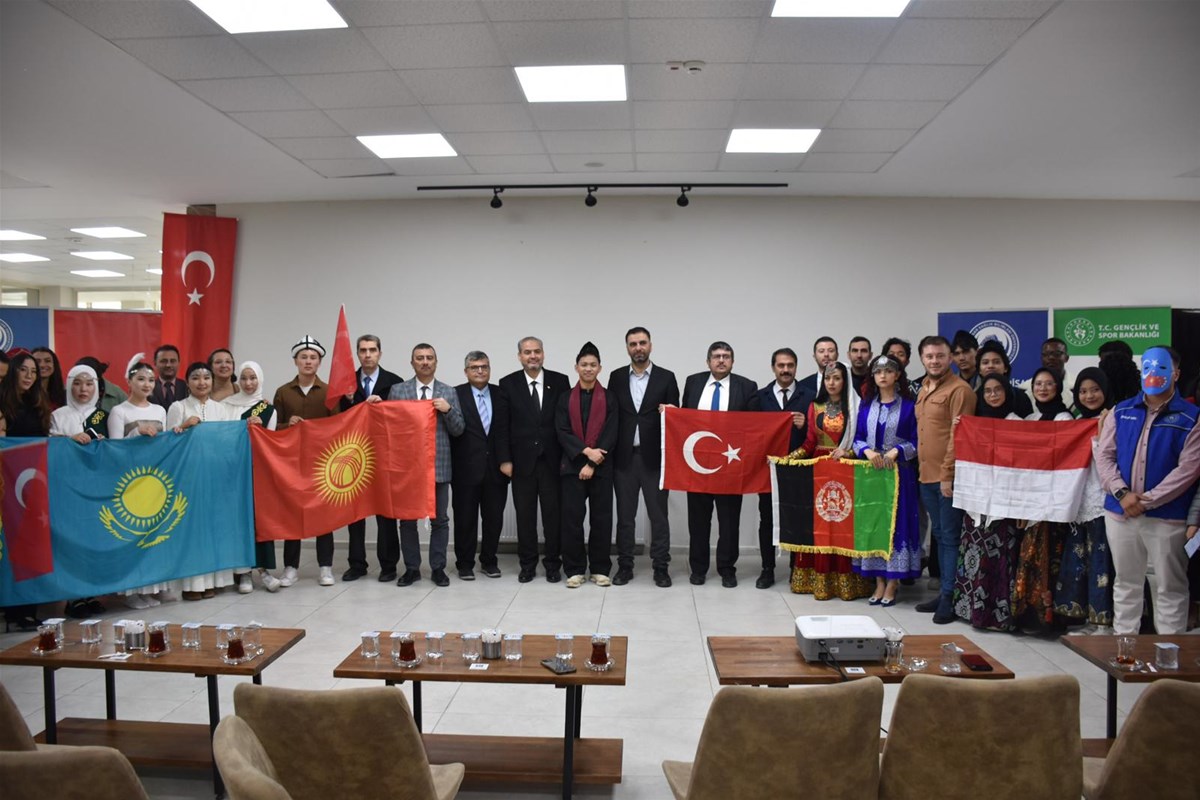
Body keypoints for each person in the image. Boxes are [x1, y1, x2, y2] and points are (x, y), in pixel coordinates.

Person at [1096, 346, 1200, 635]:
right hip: (1120, 514)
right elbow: (1104, 457)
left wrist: (1147, 501)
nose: (1153, 373)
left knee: (1170, 586)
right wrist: (1122, 494)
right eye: (1148, 368)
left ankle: (1170, 652)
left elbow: (1188, 470)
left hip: (1168, 517)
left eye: (1162, 368)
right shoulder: (1121, 411)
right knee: (1126, 583)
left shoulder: (1192, 417)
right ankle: (1124, 647)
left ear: (1176, 374)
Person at [791, 362, 873, 601]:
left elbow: (863, 441)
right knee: (821, 525)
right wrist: (789, 458)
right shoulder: (814, 406)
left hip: (847, 471)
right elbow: (809, 442)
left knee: (843, 524)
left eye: (836, 378)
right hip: (819, 472)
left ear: (844, 380)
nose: (831, 383)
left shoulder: (856, 407)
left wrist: (847, 453)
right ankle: (818, 579)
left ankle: (848, 580)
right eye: (828, 378)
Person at [681, 341, 760, 587]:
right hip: (698, 466)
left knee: (729, 523)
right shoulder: (693, 383)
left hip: (730, 467)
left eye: (726, 356)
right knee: (698, 522)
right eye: (716, 356)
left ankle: (727, 569)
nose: (721, 360)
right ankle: (698, 569)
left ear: (732, 361)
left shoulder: (746, 387)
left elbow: (753, 427)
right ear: (708, 361)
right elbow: (683, 420)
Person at [608, 327, 679, 587]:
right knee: (625, 517)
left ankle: (661, 567)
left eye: (642, 343)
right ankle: (625, 566)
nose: (638, 347)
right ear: (627, 348)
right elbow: (610, 415)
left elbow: (676, 418)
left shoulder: (667, 377)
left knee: (658, 517)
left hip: (655, 460)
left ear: (650, 345)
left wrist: (673, 411)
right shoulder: (616, 377)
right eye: (633, 344)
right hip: (624, 459)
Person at [388, 343, 464, 587]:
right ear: (412, 363)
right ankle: (412, 569)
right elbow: (389, 429)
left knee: (440, 520)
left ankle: (438, 568)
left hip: (438, 466)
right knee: (407, 521)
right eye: (419, 358)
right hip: (407, 468)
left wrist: (448, 410)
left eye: (429, 357)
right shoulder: (398, 391)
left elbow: (459, 429)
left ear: (436, 362)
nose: (425, 362)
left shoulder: (448, 392)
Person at [496, 336, 571, 583]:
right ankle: (527, 565)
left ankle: (553, 564)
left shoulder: (560, 381)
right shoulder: (508, 383)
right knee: (525, 517)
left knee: (553, 517)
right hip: (521, 463)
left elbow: (566, 422)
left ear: (543, 354)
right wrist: (505, 459)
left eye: (537, 351)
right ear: (520, 356)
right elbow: (502, 425)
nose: (532, 356)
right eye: (527, 352)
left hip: (553, 462)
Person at [913, 335, 977, 624]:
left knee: (950, 538)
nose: (935, 361)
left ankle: (950, 598)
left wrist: (948, 475)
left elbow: (958, 436)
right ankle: (943, 593)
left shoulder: (960, 390)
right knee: (939, 536)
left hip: (948, 478)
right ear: (922, 359)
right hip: (926, 475)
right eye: (929, 356)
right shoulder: (923, 388)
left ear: (950, 358)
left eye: (940, 356)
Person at [952, 375, 1024, 631]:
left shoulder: (1017, 423)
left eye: (998, 390)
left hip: (1005, 501)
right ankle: (971, 611)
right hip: (977, 499)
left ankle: (998, 616)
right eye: (988, 391)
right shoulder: (975, 422)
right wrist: (958, 429)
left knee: (1000, 557)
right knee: (974, 553)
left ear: (1007, 392)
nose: (993, 395)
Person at [852, 356, 921, 605]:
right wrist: (867, 452)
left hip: (899, 475)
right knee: (874, 526)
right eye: (878, 371)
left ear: (897, 375)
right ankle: (879, 581)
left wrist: (896, 451)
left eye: (888, 371)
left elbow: (917, 440)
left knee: (897, 526)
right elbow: (857, 437)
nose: (883, 375)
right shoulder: (866, 406)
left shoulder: (910, 407)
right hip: (871, 476)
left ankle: (893, 582)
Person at [272, 335, 340, 587]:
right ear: (295, 361)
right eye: (303, 357)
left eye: (313, 357)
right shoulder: (282, 392)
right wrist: (285, 424)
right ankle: (291, 567)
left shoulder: (330, 392)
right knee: (293, 515)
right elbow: (272, 427)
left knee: (323, 515)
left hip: (322, 464)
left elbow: (339, 425)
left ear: (319, 362)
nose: (308, 361)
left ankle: (325, 566)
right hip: (292, 463)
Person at [108, 360, 175, 610]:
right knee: (134, 535)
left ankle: (153, 587)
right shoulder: (119, 411)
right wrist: (136, 433)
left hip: (155, 478)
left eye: (150, 380)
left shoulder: (159, 411)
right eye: (140, 379)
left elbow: (164, 442)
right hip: (130, 479)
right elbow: (114, 449)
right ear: (129, 381)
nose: (146, 384)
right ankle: (131, 591)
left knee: (154, 535)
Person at [1054, 367, 1116, 634]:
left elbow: (1110, 463)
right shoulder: (1075, 422)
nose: (1089, 396)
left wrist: (1101, 434)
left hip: (1104, 501)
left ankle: (1104, 622)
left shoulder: (1114, 419)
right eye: (1083, 391)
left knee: (1102, 563)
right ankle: (1087, 619)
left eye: (1095, 390)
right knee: (1079, 561)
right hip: (1079, 502)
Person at [339, 335, 403, 582]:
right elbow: (337, 420)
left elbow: (401, 419)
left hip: (385, 456)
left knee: (386, 512)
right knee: (355, 513)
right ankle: (357, 564)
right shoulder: (345, 383)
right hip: (354, 455)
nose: (367, 355)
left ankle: (388, 565)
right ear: (357, 354)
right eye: (363, 350)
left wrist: (383, 404)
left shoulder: (394, 382)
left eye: (372, 350)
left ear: (380, 353)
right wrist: (348, 400)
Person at [167, 362, 234, 600]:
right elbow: (168, 442)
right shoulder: (178, 406)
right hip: (189, 477)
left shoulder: (221, 409)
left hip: (214, 476)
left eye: (206, 377)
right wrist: (184, 426)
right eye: (196, 377)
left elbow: (227, 440)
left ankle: (212, 581)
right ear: (187, 382)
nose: (202, 382)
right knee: (192, 530)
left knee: (213, 528)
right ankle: (192, 585)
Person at [49, 364, 110, 619]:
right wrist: (70, 440)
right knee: (72, 540)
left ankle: (92, 592)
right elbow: (50, 445)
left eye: (88, 383)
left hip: (95, 485)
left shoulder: (102, 415)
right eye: (77, 383)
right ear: (69, 385)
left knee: (94, 538)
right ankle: (74, 596)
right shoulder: (58, 415)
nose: (83, 389)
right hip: (67, 485)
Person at [556, 342, 618, 588]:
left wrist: (592, 462)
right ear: (576, 367)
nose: (588, 369)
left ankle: (600, 569)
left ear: (600, 368)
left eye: (593, 365)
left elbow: (611, 432)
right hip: (572, 466)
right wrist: (585, 453)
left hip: (601, 467)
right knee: (571, 520)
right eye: (584, 365)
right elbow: (562, 431)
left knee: (601, 519)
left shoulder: (610, 398)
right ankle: (574, 570)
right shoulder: (564, 398)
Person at [754, 347, 813, 589]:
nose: (786, 370)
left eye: (790, 365)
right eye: (781, 365)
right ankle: (767, 569)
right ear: (773, 368)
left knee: (797, 519)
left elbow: (820, 433)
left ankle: (795, 569)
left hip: (799, 469)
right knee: (767, 519)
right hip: (768, 469)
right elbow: (752, 433)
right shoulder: (760, 397)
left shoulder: (809, 396)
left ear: (796, 367)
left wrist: (805, 424)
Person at [0, 352, 51, 631]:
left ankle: (28, 609)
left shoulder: (38, 404)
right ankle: (11, 611)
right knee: (10, 546)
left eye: (34, 371)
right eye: (24, 370)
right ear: (13, 372)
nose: (30, 376)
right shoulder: (3, 402)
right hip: (6, 483)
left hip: (32, 482)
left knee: (31, 545)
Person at [223, 360, 283, 594]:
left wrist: (259, 429)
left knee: (260, 521)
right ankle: (243, 572)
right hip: (232, 472)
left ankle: (263, 570)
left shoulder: (267, 409)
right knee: (238, 522)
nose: (248, 383)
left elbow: (270, 444)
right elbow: (221, 437)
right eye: (244, 378)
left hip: (257, 473)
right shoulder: (226, 406)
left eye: (253, 378)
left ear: (260, 379)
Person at [450, 351, 509, 580]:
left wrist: (507, 460)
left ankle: (489, 561)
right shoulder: (455, 394)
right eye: (475, 367)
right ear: (466, 371)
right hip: (465, 469)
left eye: (484, 366)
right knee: (465, 519)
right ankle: (465, 564)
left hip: (496, 469)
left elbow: (506, 429)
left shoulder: (501, 394)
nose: (480, 371)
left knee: (494, 519)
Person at [975, 340, 1034, 417]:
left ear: (1005, 368)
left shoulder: (1021, 397)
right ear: (979, 370)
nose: (990, 366)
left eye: (996, 362)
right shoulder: (974, 398)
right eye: (985, 363)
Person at [1027, 337, 1076, 408]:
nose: (1051, 358)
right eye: (1046, 354)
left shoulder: (1078, 387)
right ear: (1041, 358)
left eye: (1057, 354)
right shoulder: (1025, 389)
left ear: (1066, 358)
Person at [150, 344, 187, 410]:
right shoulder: (149, 387)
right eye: (163, 361)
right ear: (155, 363)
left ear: (178, 363)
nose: (168, 365)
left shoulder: (187, 387)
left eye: (172, 361)